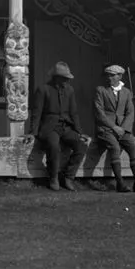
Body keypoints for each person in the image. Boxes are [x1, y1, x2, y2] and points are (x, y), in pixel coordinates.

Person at [24, 61, 91, 191]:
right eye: (65, 78)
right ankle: (53, 177)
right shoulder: (43, 89)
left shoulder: (70, 90)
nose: (67, 81)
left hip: (66, 127)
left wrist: (80, 131)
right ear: (56, 77)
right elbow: (36, 113)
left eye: (68, 78)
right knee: (54, 146)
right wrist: (32, 133)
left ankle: (69, 177)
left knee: (81, 145)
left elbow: (74, 113)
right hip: (49, 127)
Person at [94, 65, 135, 193]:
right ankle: (120, 183)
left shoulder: (126, 92)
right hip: (106, 129)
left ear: (120, 76)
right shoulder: (101, 90)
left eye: (112, 75)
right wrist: (113, 127)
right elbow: (99, 113)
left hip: (123, 129)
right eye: (108, 75)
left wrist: (122, 129)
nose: (109, 78)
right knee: (115, 148)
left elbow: (130, 112)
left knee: (133, 146)